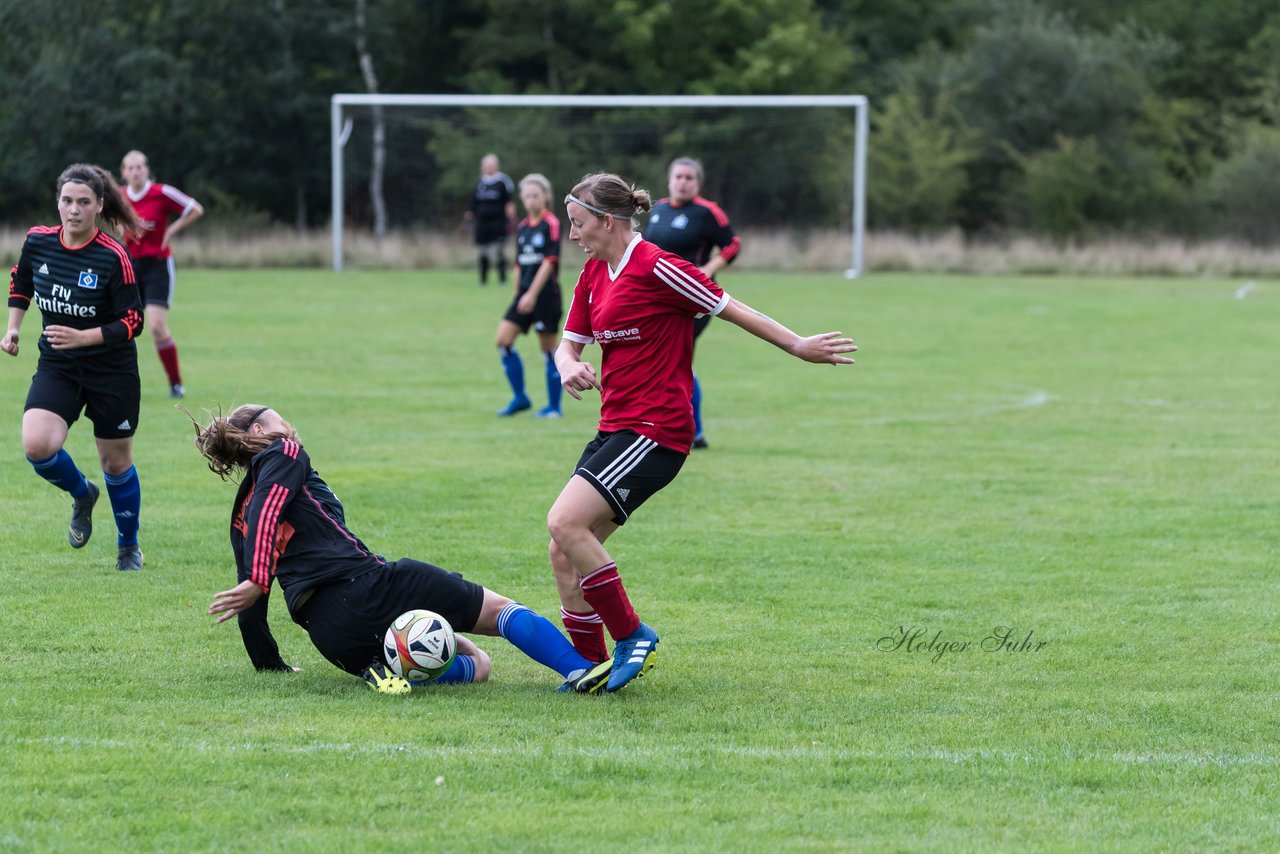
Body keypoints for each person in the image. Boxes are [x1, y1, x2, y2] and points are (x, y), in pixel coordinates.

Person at [549, 172, 856, 693]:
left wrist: (798, 345)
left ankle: (632, 636)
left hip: (657, 430)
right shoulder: (593, 274)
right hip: (615, 427)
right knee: (564, 553)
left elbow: (732, 308)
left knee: (565, 523)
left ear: (606, 220)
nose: (573, 235)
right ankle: (589, 669)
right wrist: (565, 367)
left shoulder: (658, 267)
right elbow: (568, 344)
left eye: (578, 224)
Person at [189, 404, 614, 695]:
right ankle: (579, 670)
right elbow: (267, 519)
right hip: (368, 588)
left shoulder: (240, 510)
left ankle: (385, 669)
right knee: (499, 613)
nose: (289, 424)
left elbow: (249, 597)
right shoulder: (284, 452)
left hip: (330, 635)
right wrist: (258, 578)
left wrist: (268, 661)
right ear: (260, 430)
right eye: (277, 416)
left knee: (476, 668)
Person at [3, 163, 147, 571]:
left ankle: (128, 547)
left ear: (100, 205)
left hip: (111, 371)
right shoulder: (38, 241)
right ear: (58, 202)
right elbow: (21, 281)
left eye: (84, 202)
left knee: (115, 463)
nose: (74, 210)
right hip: (59, 366)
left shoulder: (113, 255)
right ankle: (82, 493)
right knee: (37, 445)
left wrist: (84, 337)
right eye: (67, 201)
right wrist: (13, 329)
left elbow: (132, 320)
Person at [643, 157, 741, 449]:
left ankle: (692, 430)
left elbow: (733, 244)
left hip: (693, 301)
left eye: (689, 178)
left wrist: (708, 270)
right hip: (658, 301)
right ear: (669, 179)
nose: (682, 182)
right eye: (678, 177)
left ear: (697, 183)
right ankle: (669, 426)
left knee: (677, 362)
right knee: (663, 363)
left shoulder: (707, 212)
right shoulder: (658, 209)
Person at [120, 150, 204, 400]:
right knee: (122, 326)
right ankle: (118, 382)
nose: (136, 171)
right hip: (130, 266)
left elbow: (195, 209)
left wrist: (171, 231)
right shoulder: (120, 196)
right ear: (123, 172)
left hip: (158, 265)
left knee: (156, 326)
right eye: (131, 168)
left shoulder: (161, 192)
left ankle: (175, 383)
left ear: (147, 169)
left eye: (140, 167)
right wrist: (121, 228)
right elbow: (107, 216)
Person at [494, 173, 564, 418]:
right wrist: (517, 294)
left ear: (545, 196)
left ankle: (554, 407)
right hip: (523, 296)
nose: (531, 200)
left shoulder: (551, 224)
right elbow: (518, 264)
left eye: (536, 195)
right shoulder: (522, 227)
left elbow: (549, 262)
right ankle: (520, 397)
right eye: (527, 196)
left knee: (548, 349)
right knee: (503, 340)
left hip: (545, 296)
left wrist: (532, 293)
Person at [463, 154, 516, 286]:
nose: (489, 167)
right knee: (482, 252)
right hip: (482, 223)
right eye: (487, 165)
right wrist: (468, 219)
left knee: (499, 251)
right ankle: (483, 280)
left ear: (497, 166)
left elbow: (508, 202)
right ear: (483, 167)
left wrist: (512, 219)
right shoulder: (480, 182)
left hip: (498, 222)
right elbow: (474, 203)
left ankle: (502, 279)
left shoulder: (503, 182)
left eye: (492, 165)